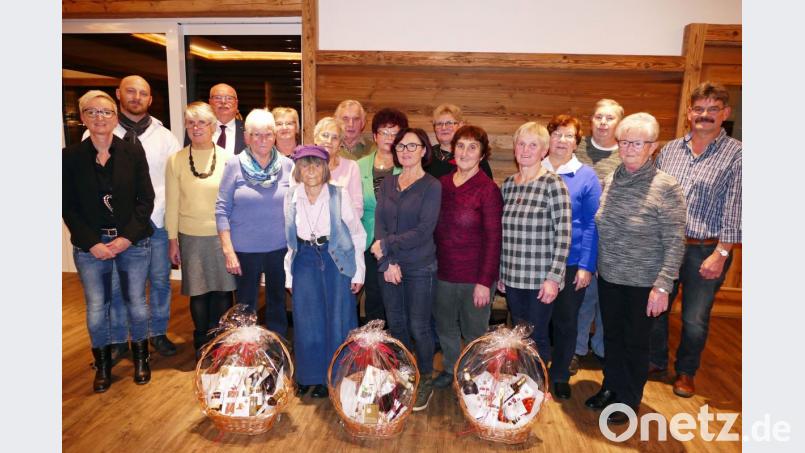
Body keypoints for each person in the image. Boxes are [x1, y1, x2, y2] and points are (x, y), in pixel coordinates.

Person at [584, 112, 686, 425]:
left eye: (637, 143)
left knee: (635, 344)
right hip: (611, 277)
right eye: (624, 141)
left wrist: (662, 285)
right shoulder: (614, 178)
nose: (629, 148)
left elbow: (675, 241)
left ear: (652, 146)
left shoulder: (666, 187)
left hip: (645, 283)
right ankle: (610, 388)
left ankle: (628, 399)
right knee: (612, 337)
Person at [649, 82, 742, 398]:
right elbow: (654, 195)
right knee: (656, 308)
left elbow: (737, 205)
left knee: (694, 317)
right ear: (689, 113)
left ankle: (686, 372)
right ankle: (655, 360)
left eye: (713, 109)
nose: (705, 115)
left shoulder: (738, 155)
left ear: (724, 113)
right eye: (699, 109)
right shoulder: (670, 150)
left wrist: (722, 253)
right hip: (665, 245)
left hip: (705, 248)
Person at [81, 75, 182, 361]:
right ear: (118, 95)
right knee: (116, 284)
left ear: (150, 99)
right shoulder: (95, 133)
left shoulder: (165, 137)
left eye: (143, 93)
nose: (136, 97)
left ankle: (156, 333)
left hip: (156, 221)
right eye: (131, 92)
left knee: (160, 281)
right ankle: (118, 338)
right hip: (118, 225)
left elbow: (172, 182)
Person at [63, 90, 155, 392]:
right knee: (96, 306)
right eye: (92, 112)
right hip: (91, 247)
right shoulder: (70, 157)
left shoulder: (132, 151)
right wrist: (92, 243)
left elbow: (146, 199)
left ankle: (142, 359)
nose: (99, 117)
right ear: (83, 118)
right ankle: (102, 365)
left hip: (132, 243)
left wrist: (127, 237)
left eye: (105, 112)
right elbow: (68, 206)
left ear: (115, 117)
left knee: (136, 304)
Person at [284, 145, 366, 398]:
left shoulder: (337, 196)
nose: (311, 170)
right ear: (297, 169)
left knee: (337, 318)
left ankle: (332, 377)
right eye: (305, 165)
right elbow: (289, 241)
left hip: (334, 259)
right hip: (304, 261)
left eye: (317, 164)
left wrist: (358, 272)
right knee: (307, 320)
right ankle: (309, 376)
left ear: (326, 168)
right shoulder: (291, 197)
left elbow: (356, 234)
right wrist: (289, 275)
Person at [371, 127, 442, 411]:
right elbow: (380, 220)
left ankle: (425, 377)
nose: (406, 151)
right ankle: (404, 374)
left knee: (419, 326)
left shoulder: (432, 186)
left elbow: (424, 230)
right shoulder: (388, 182)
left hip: (420, 266)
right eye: (401, 146)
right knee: (397, 324)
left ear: (424, 150)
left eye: (413, 146)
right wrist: (387, 262)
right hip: (389, 267)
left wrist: (386, 246)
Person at [432, 125, 502, 389]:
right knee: (446, 327)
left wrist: (485, 282)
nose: (465, 152)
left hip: (475, 277)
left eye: (473, 147)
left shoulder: (487, 189)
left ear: (482, 155)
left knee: (474, 332)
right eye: (460, 145)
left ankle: (473, 375)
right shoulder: (442, 184)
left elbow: (494, 239)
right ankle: (450, 368)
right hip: (443, 273)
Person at [166, 101, 237, 359]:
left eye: (202, 122)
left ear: (213, 126)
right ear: (186, 126)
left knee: (221, 291)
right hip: (190, 236)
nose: (196, 127)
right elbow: (172, 203)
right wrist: (172, 240)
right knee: (197, 291)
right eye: (191, 122)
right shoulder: (175, 161)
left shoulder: (229, 159)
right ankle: (200, 341)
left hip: (221, 236)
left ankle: (219, 341)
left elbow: (234, 201)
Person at [498, 122, 571, 364]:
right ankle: (523, 383)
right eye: (521, 144)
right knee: (519, 334)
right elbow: (502, 232)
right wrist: (501, 272)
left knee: (537, 335)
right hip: (513, 276)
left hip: (540, 280)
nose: (526, 150)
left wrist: (553, 278)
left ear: (544, 151)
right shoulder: (507, 185)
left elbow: (564, 234)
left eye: (533, 145)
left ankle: (539, 387)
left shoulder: (553, 184)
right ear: (514, 148)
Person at [216, 109, 293, 337]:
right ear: (247, 137)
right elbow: (221, 209)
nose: (262, 140)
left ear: (275, 136)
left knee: (278, 303)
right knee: (246, 306)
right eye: (256, 134)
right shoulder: (234, 164)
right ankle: (246, 351)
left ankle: (277, 347)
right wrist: (228, 250)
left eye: (268, 134)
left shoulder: (288, 166)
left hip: (280, 248)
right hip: (244, 250)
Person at [541, 115, 602, 400]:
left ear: (577, 141)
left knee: (566, 322)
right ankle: (533, 371)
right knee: (536, 322)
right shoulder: (533, 168)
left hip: (571, 262)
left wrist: (587, 266)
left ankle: (560, 374)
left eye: (568, 136)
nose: (561, 140)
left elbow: (591, 223)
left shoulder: (586, 176)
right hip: (535, 262)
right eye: (556, 134)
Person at [571, 99, 624, 374]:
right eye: (598, 117)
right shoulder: (577, 149)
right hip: (584, 236)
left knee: (609, 300)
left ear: (619, 124)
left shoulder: (626, 150)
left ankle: (602, 348)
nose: (603, 123)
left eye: (609, 118)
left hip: (616, 238)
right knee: (584, 297)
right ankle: (577, 349)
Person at [356, 108, 408, 324]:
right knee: (374, 299)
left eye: (394, 133)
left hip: (397, 243)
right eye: (384, 132)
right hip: (367, 242)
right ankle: (374, 350)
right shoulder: (359, 166)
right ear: (375, 136)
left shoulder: (409, 166)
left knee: (396, 300)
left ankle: (397, 349)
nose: (389, 138)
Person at [313, 117, 364, 218]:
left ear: (340, 144)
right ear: (316, 139)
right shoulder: (302, 166)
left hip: (342, 230)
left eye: (335, 138)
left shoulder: (351, 167)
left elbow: (358, 210)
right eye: (325, 135)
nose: (329, 141)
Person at [425, 103, 492, 179]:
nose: (443, 128)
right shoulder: (426, 154)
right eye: (439, 123)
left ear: (461, 125)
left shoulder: (473, 156)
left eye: (449, 123)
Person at [185, 83, 245, 155]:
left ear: (236, 103)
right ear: (210, 102)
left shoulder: (248, 129)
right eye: (218, 98)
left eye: (229, 98)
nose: (223, 102)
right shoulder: (196, 129)